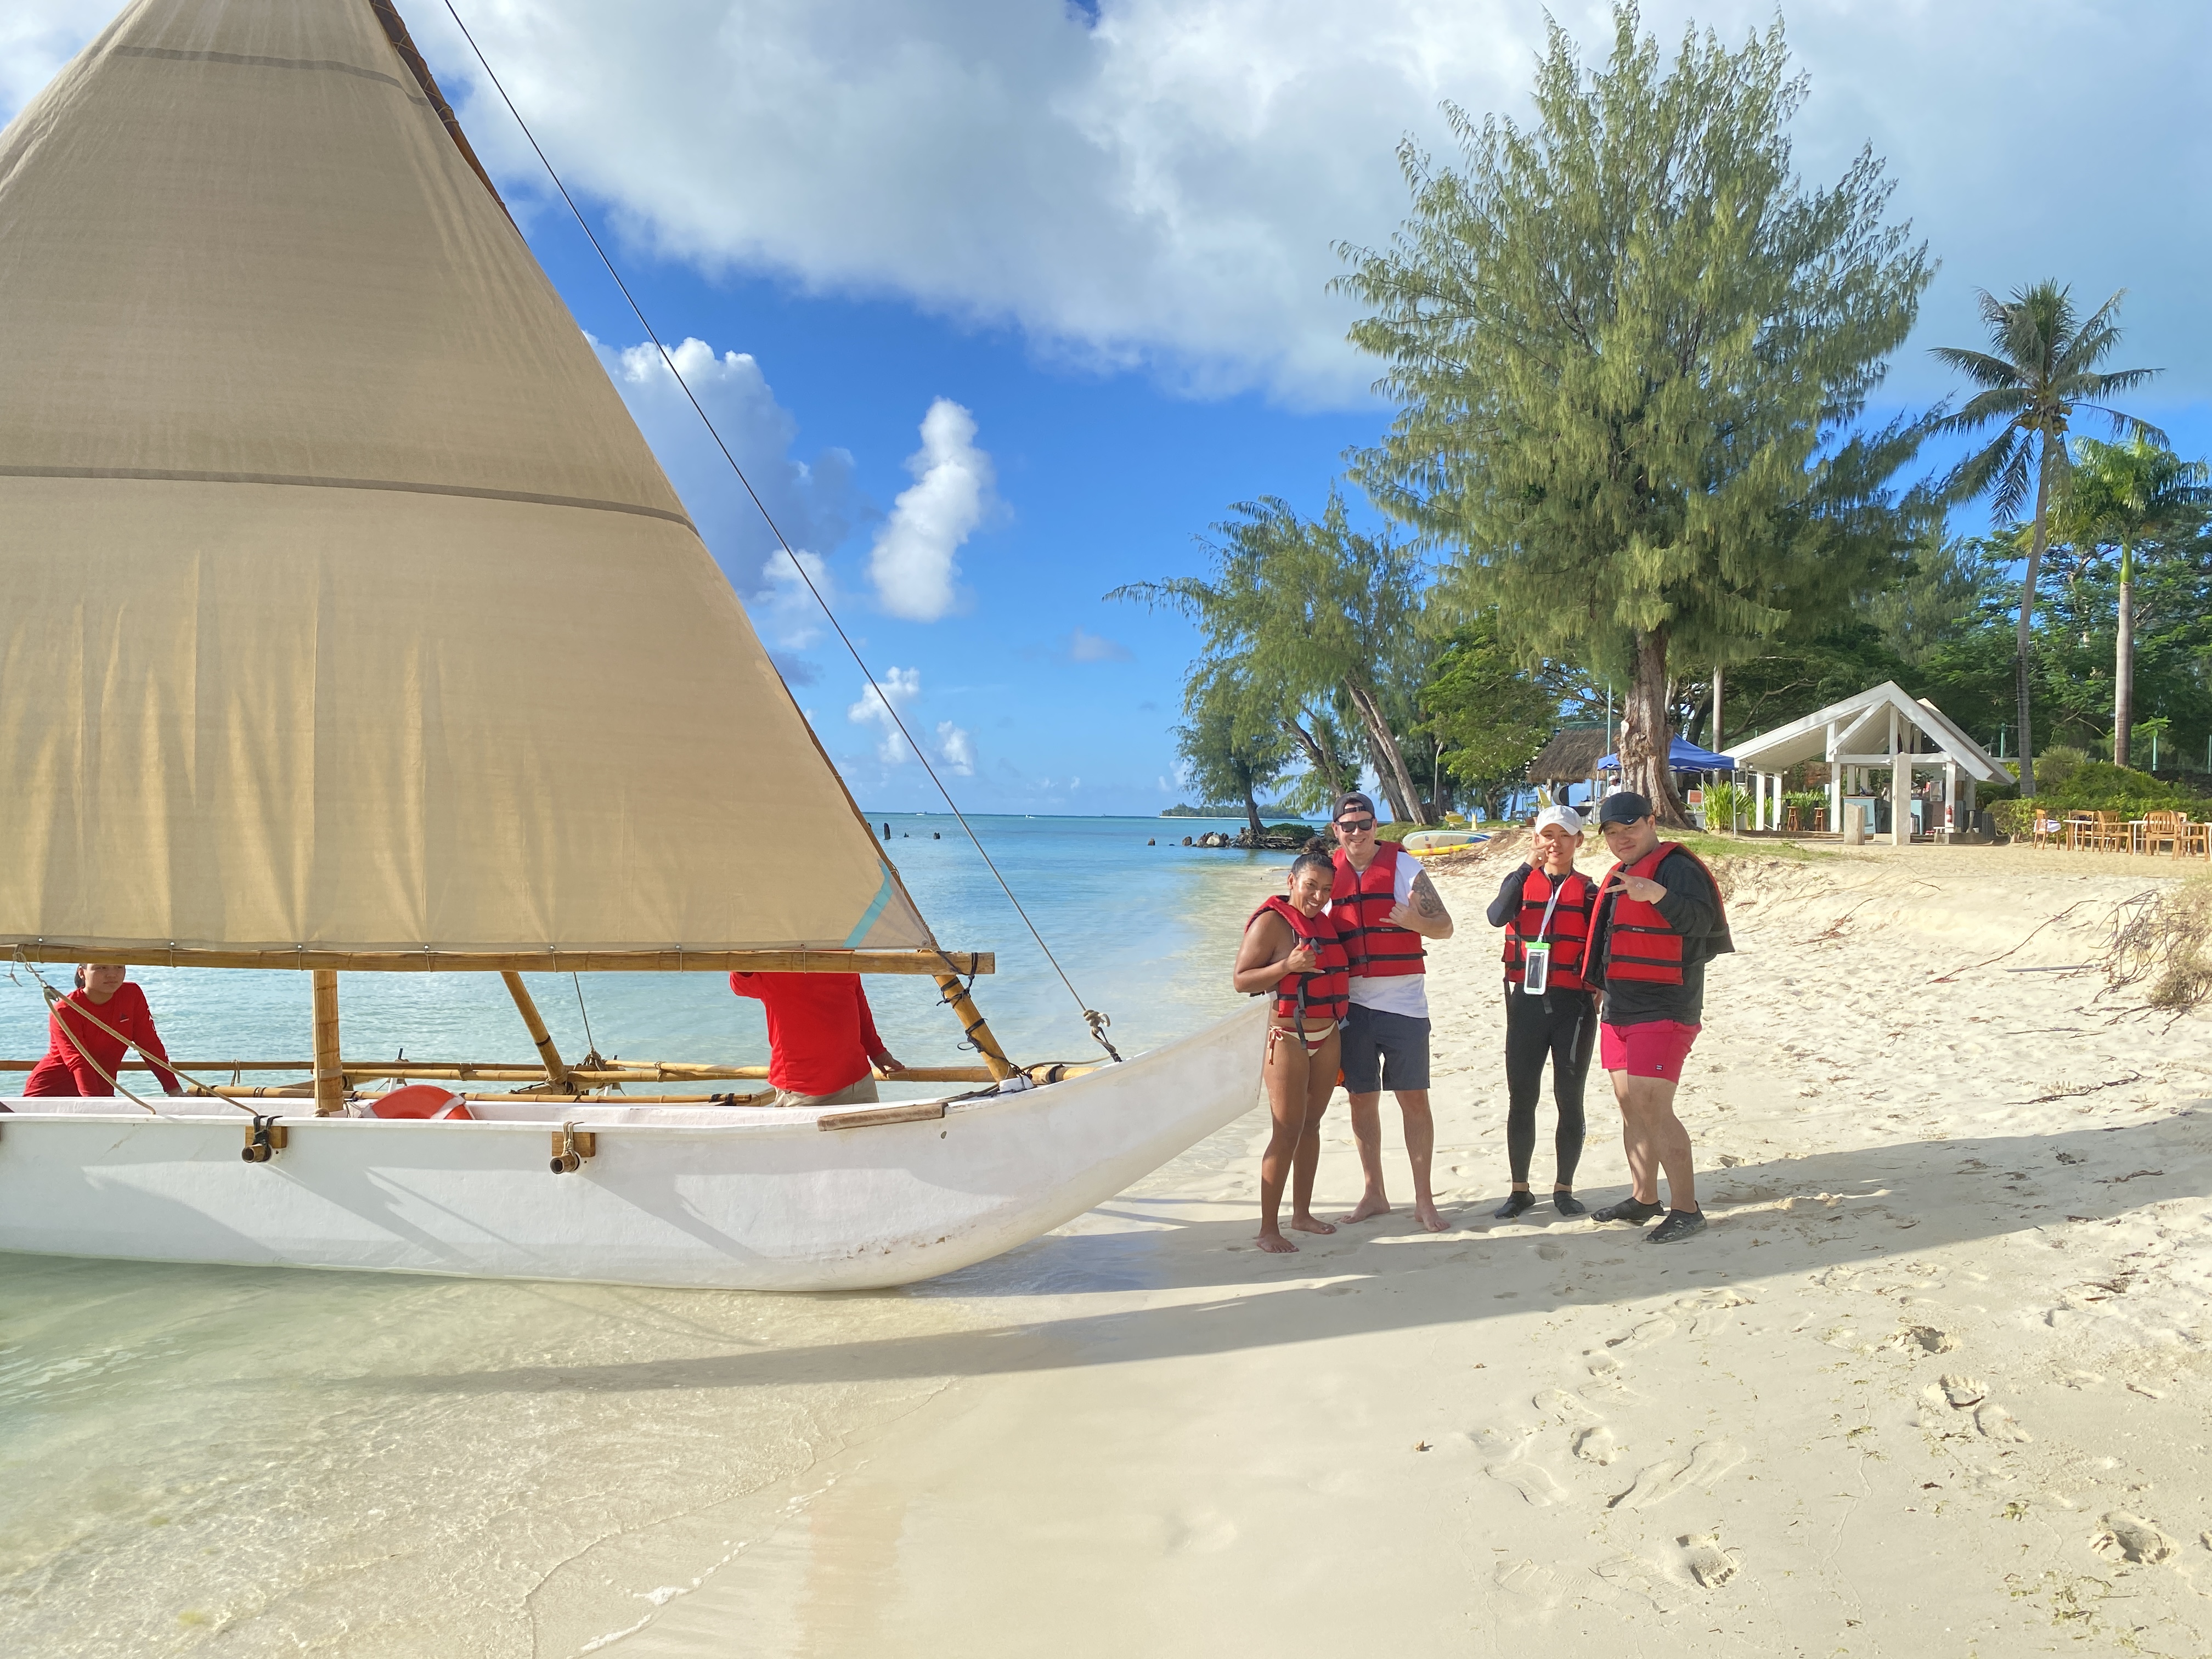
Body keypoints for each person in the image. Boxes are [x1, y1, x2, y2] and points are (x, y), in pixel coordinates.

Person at [1584, 791, 1734, 1244]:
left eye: (1630, 828)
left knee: (1653, 1104)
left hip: (1666, 1006)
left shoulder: (1677, 868)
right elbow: (1609, 937)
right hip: (1620, 1006)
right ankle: (1644, 1196)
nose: (1621, 839)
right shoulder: (1621, 872)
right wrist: (1597, 988)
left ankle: (1687, 1209)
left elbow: (1702, 923)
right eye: (1612, 832)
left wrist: (1659, 895)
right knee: (1630, 1103)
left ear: (1652, 822)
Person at [1327, 791, 1454, 1232]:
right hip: (1352, 1007)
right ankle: (1374, 1192)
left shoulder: (1404, 869)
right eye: (1349, 826)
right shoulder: (1330, 875)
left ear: (1376, 827)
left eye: (1366, 824)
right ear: (1336, 831)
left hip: (1404, 1005)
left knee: (1413, 1099)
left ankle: (1423, 1200)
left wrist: (1415, 923)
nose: (1358, 832)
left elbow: (1446, 927)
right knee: (1361, 1101)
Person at [1232, 851, 1351, 1253]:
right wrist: (1288, 965)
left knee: (1311, 1126)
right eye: (1310, 886)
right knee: (1286, 1130)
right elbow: (1241, 980)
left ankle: (1302, 1214)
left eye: (1326, 890)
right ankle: (1268, 1229)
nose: (1318, 896)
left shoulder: (1323, 924)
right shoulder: (1272, 923)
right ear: (1291, 881)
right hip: (1287, 1036)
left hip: (1328, 1033)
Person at [1485, 804, 1599, 1218]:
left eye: (1564, 836)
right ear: (1536, 840)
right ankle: (1520, 1190)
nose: (1555, 843)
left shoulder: (1590, 892)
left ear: (1578, 842)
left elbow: (1601, 949)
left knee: (1570, 1098)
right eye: (1547, 835)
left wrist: (1599, 989)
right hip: (1527, 1003)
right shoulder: (1520, 883)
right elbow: (1497, 916)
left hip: (1575, 1007)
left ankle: (1564, 1188)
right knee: (1522, 1098)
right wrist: (1523, 867)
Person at [728, 972, 904, 1108]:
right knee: (801, 1155)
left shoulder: (838, 950)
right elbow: (740, 984)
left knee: (867, 1152)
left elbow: (857, 997)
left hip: (857, 1084)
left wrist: (876, 1050)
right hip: (800, 1092)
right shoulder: (772, 962)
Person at [24, 964, 182, 1097]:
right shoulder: (66, 1010)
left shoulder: (131, 994)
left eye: (119, 967)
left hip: (101, 1094)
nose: (112, 974)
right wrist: (96, 1104)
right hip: (50, 1094)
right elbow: (79, 1060)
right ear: (82, 972)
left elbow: (149, 1044)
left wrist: (174, 1090)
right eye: (101, 968)